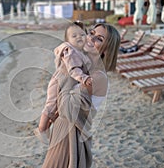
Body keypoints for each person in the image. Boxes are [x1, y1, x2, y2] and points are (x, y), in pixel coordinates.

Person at [42, 23, 121, 168]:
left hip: (70, 137)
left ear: (107, 50)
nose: (90, 38)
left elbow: (67, 108)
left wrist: (65, 74)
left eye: (99, 39)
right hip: (61, 130)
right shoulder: (82, 68)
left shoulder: (97, 77)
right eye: (91, 33)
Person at [35, 21, 97, 144]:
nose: (79, 37)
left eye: (82, 34)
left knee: (59, 107)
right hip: (60, 81)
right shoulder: (70, 51)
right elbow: (73, 69)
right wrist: (84, 78)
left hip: (68, 82)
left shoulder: (80, 51)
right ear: (68, 41)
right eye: (74, 36)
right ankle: (41, 129)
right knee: (52, 104)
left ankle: (47, 127)